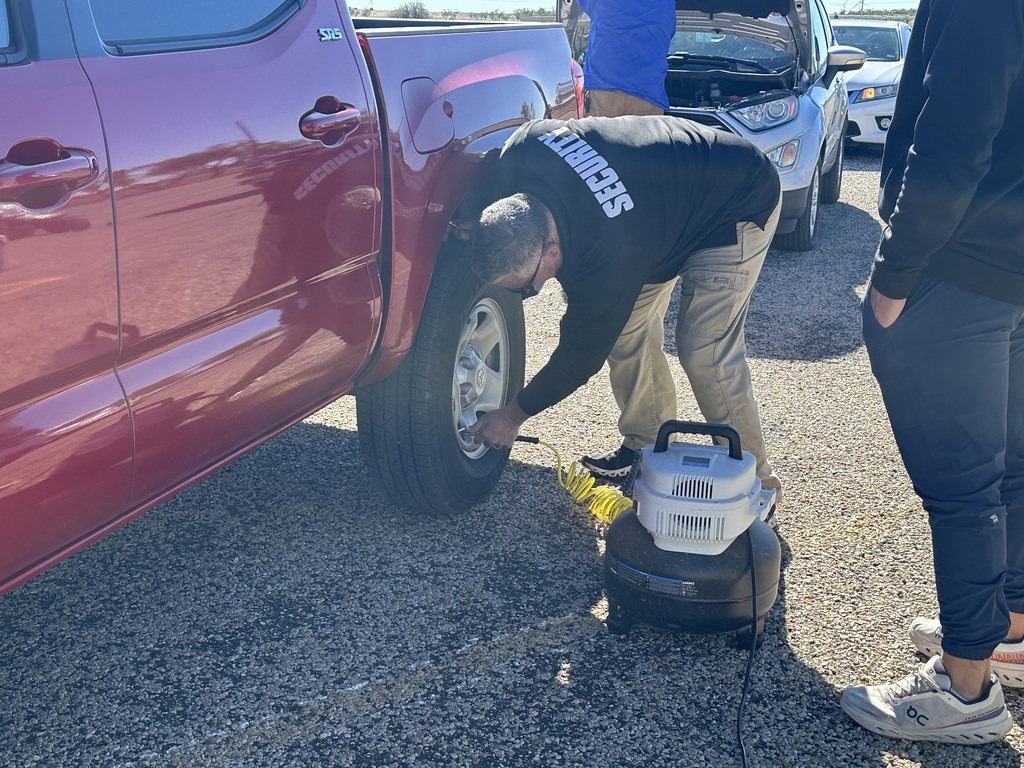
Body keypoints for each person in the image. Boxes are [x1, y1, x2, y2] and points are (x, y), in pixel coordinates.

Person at [839, 0, 1024, 744]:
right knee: (1009, 469)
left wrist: (893, 275)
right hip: (1014, 271)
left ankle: (966, 690)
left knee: (962, 487)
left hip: (958, 268)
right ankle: (1002, 632)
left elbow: (953, 135)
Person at [464, 115, 782, 510]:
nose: (528, 294)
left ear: (551, 252)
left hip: (735, 198)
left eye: (527, 286)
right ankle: (645, 445)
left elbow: (579, 358)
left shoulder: (609, 257)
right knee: (627, 331)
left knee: (704, 349)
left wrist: (512, 416)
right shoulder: (520, 153)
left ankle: (758, 486)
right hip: (660, 209)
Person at [576, 0, 675, 118]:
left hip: (604, 89)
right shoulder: (666, 3)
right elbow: (668, 32)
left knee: (598, 136)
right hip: (649, 95)